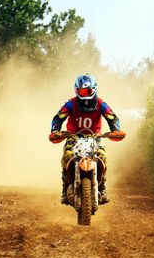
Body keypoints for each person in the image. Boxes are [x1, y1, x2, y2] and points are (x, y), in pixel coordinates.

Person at [49, 73, 122, 205]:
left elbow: (112, 117)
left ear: (94, 89)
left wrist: (115, 130)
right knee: (67, 156)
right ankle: (65, 189)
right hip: (73, 136)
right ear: (76, 90)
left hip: (95, 137)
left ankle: (102, 189)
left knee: (103, 156)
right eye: (81, 91)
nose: (84, 94)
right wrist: (55, 131)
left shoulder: (101, 104)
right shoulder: (70, 104)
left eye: (87, 91)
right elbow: (58, 117)